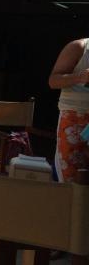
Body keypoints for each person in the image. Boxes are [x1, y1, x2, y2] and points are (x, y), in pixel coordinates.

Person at [48, 38, 89, 182]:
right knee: (70, 176)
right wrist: (80, 77)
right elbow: (53, 81)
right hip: (74, 117)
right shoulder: (79, 47)